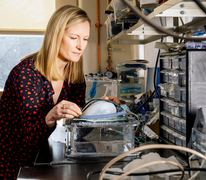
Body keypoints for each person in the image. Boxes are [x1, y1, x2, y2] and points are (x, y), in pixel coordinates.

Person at [0, 5, 119, 179]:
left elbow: (77, 129)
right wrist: (49, 118)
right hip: (11, 162)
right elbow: (28, 139)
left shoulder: (74, 76)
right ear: (55, 37)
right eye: (74, 38)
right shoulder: (25, 74)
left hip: (40, 160)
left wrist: (98, 109)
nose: (81, 46)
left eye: (85, 39)